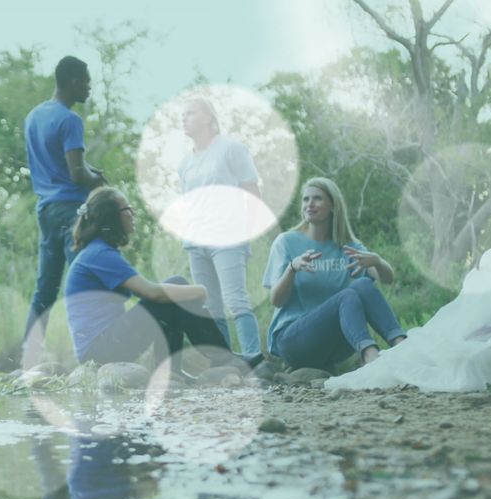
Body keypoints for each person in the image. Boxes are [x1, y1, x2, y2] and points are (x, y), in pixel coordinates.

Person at [64, 187, 232, 379]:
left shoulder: (98, 251)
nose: (133, 213)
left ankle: (172, 371)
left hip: (102, 346)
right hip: (99, 351)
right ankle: (223, 359)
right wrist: (200, 290)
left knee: (174, 292)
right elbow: (152, 293)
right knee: (174, 290)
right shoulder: (99, 254)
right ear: (111, 217)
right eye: (127, 209)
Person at [262, 177, 407, 369]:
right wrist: (292, 268)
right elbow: (276, 300)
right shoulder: (286, 242)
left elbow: (387, 279)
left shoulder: (348, 247)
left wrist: (378, 262)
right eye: (306, 199)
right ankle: (370, 357)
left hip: (335, 344)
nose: (309, 204)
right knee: (347, 295)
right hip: (294, 341)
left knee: (362, 285)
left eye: (317, 198)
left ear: (333, 205)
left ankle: (401, 345)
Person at [21, 55, 107, 365]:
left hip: (45, 209)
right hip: (71, 210)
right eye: (86, 81)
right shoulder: (70, 120)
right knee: (81, 282)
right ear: (72, 81)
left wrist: (90, 169)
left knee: (46, 286)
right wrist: (98, 181)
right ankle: (89, 356)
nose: (89, 87)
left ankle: (29, 355)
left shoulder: (33, 116)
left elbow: (59, 163)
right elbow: (76, 174)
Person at [177, 97, 263, 360]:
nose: (184, 118)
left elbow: (252, 191)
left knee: (236, 299)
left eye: (190, 113)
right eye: (183, 115)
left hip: (227, 238)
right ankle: (225, 362)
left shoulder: (231, 149)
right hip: (196, 242)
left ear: (208, 118)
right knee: (211, 306)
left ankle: (254, 357)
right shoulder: (185, 164)